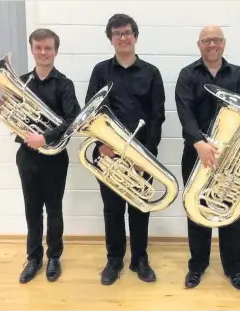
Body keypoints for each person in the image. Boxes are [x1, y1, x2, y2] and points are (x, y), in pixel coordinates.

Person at [85, 13, 166, 286]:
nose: (123, 37)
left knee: (140, 207)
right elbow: (90, 113)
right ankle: (115, 259)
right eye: (117, 33)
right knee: (112, 209)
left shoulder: (151, 73)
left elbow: (157, 116)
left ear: (135, 36)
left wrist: (147, 154)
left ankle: (140, 259)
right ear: (111, 39)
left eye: (127, 32)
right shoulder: (100, 71)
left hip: (141, 154)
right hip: (107, 154)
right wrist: (100, 144)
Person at [175, 25, 240, 290]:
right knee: (196, 209)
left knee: (231, 210)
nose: (212, 44)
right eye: (207, 40)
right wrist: (199, 141)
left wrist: (230, 148)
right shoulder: (187, 74)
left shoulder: (239, 74)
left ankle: (234, 269)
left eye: (216, 40)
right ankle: (197, 266)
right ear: (199, 44)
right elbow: (184, 112)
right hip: (196, 152)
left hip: (230, 156)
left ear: (223, 43)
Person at [14, 28, 81, 283]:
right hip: (27, 155)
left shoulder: (64, 84)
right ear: (32, 50)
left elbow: (73, 119)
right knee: (32, 209)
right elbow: (14, 117)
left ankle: (54, 257)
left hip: (54, 156)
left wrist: (45, 137)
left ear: (56, 51)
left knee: (54, 210)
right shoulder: (21, 82)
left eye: (48, 48)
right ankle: (33, 259)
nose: (43, 52)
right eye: (38, 48)